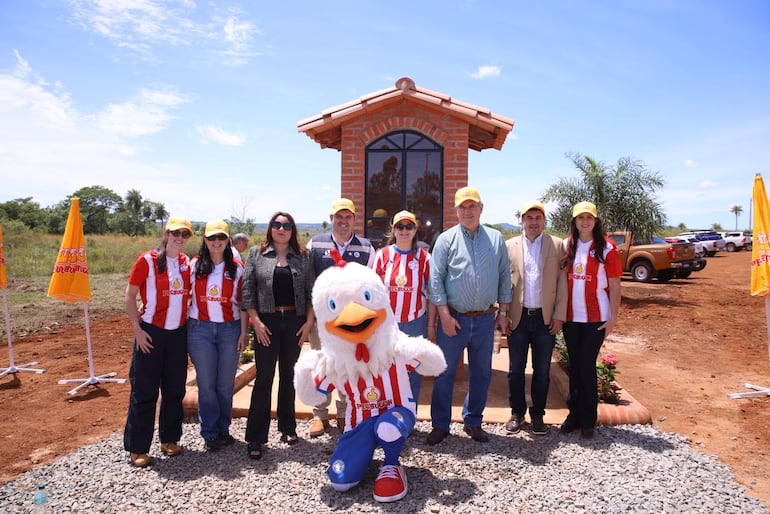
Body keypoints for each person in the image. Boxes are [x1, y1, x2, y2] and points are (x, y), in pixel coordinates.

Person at [426, 187, 512, 445]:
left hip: (486, 319)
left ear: (481, 208)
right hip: (454, 318)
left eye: (472, 206)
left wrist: (503, 312)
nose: (467, 211)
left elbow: (505, 277)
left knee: (482, 373)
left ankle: (473, 420)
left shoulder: (496, 239)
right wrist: (443, 314)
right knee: (445, 373)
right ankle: (440, 424)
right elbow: (435, 280)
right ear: (456, 210)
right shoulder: (445, 240)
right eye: (462, 207)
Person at [242, 212, 315, 459]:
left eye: (286, 225)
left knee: (288, 376)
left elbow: (311, 292)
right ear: (270, 228)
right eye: (276, 224)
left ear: (293, 229)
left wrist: (308, 323)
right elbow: (247, 291)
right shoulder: (256, 254)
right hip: (266, 322)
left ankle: (287, 427)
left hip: (294, 321)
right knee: (264, 378)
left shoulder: (304, 256)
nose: (281, 229)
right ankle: (255, 436)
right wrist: (256, 323)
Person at [123, 216, 193, 468]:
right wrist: (137, 330)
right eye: (175, 233)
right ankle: (137, 447)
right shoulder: (147, 260)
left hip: (177, 335)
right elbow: (130, 296)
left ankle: (170, 439)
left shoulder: (186, 263)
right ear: (166, 233)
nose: (179, 238)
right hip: (151, 333)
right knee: (144, 391)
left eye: (185, 234)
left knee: (175, 389)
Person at [306, 198, 375, 437]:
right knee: (322, 365)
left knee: (348, 366)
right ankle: (319, 415)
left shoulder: (366, 247)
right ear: (331, 218)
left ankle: (345, 413)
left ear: (354, 219)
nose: (343, 221)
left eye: (348, 217)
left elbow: (372, 287)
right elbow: (307, 280)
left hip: (353, 322)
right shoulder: (315, 244)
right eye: (339, 216)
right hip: (322, 321)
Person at [503, 201, 567, 436]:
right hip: (517, 319)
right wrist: (502, 313)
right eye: (529, 218)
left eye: (538, 218)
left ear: (544, 221)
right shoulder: (509, 246)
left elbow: (563, 284)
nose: (533, 222)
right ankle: (517, 413)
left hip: (544, 319)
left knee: (541, 370)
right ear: (522, 221)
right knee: (515, 370)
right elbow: (503, 284)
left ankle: (538, 414)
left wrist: (560, 315)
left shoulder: (557, 245)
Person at [559, 201, 622, 439]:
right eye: (580, 218)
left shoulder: (607, 248)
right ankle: (573, 415)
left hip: (596, 318)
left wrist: (613, 318)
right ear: (574, 222)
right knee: (574, 367)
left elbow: (615, 285)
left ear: (595, 221)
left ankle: (588, 418)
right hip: (571, 318)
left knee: (586, 366)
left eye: (589, 218)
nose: (585, 222)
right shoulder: (566, 246)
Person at [187, 220, 246, 452]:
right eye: (212, 238)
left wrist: (243, 332)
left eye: (221, 238)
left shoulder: (237, 268)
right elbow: (182, 296)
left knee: (224, 383)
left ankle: (224, 428)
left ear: (227, 240)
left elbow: (242, 303)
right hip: (200, 329)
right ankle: (209, 431)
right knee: (206, 383)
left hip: (229, 330)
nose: (217, 242)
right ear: (205, 240)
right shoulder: (193, 266)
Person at [374, 209, 436, 406]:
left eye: (409, 226)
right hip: (386, 324)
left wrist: (430, 325)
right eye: (399, 226)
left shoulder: (424, 258)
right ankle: (385, 415)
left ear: (415, 229)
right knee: (384, 369)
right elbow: (372, 292)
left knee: (413, 372)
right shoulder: (382, 256)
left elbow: (432, 294)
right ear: (393, 230)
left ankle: (408, 414)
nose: (404, 230)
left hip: (415, 322)